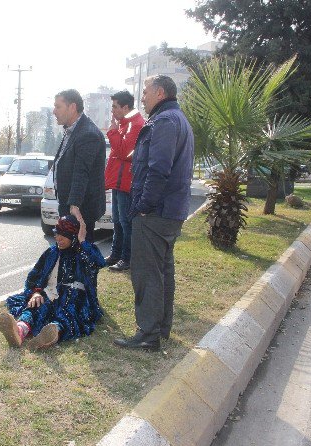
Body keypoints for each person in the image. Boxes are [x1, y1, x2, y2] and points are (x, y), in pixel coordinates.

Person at [114, 75, 194, 352]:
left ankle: (148, 334)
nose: (143, 97)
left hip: (156, 213)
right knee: (162, 272)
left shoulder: (163, 122)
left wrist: (142, 207)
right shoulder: (176, 119)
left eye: (146, 91)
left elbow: (159, 169)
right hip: (170, 212)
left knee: (147, 274)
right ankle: (160, 329)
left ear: (160, 93)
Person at [0, 215, 105, 350]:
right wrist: (35, 293)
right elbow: (35, 275)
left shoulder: (82, 253)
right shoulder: (52, 252)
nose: (58, 238)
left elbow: (99, 262)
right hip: (51, 292)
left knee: (67, 316)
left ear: (73, 236)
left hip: (76, 297)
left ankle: (51, 335)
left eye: (63, 236)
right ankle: (18, 332)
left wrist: (82, 241)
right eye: (57, 234)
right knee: (35, 307)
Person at [52, 89, 106, 242]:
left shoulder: (87, 134)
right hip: (70, 206)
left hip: (80, 210)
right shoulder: (72, 130)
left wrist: (74, 206)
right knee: (70, 257)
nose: (54, 111)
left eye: (58, 106)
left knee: (80, 258)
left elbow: (81, 173)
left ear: (72, 107)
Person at [104, 90, 145, 272]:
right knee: (118, 220)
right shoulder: (125, 124)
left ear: (125, 107)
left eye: (115, 107)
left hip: (127, 182)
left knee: (125, 222)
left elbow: (123, 152)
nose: (112, 111)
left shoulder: (135, 124)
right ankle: (116, 254)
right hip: (118, 181)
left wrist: (112, 132)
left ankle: (126, 258)